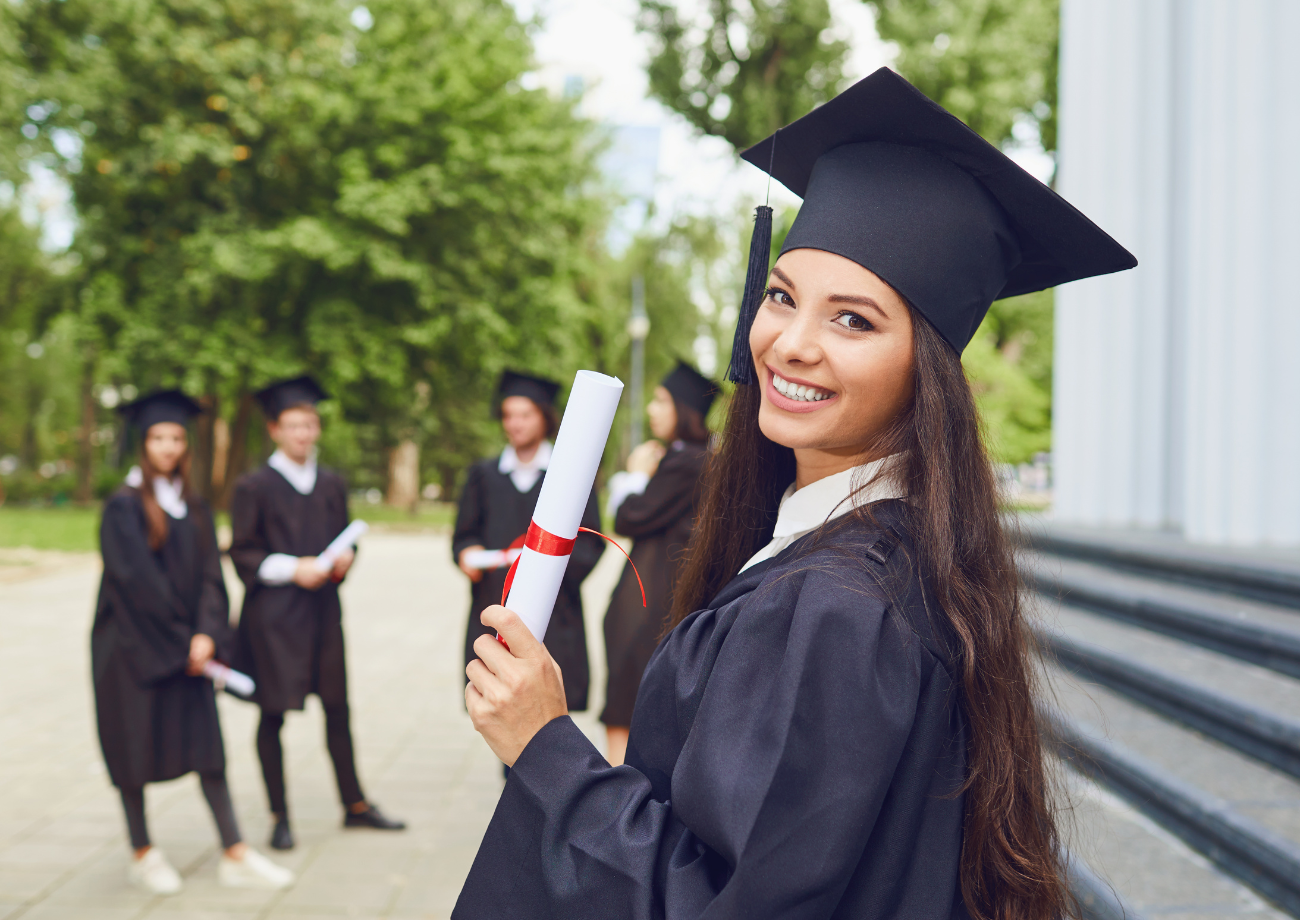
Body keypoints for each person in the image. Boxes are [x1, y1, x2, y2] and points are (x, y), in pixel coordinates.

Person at [455, 67, 1137, 920]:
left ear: (924, 369)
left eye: (853, 319)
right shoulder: (894, 558)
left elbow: (733, 903)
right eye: (781, 297)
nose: (791, 343)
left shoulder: (836, 609)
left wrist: (545, 745)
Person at [93, 390, 294, 894]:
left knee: (207, 749)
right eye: (159, 438)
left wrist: (207, 633)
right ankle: (142, 851)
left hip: (190, 650)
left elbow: (211, 575)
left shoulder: (194, 505)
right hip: (133, 651)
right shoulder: (122, 507)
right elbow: (137, 584)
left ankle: (234, 851)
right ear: (144, 443)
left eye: (176, 438)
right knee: (133, 749)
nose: (168, 447)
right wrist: (185, 642)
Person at [230, 376, 405, 852]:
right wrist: (293, 569)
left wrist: (344, 562)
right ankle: (279, 814)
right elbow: (243, 553)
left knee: (337, 707)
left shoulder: (330, 483)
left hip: (324, 612)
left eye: (310, 424)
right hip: (274, 616)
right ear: (274, 430)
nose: (303, 434)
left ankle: (355, 805)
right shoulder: (254, 485)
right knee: (273, 713)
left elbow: (347, 539)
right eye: (293, 425)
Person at [453, 370, 603, 719]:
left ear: (544, 418)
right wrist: (466, 555)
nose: (514, 424)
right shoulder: (483, 475)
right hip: (495, 602)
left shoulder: (569, 476)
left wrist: (546, 572)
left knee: (548, 710)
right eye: (508, 415)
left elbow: (591, 542)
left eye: (524, 415)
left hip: (554, 611)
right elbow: (464, 535)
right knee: (498, 701)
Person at [600, 361, 715, 765]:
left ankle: (612, 802)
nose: (652, 409)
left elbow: (630, 516)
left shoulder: (688, 460)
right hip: (658, 594)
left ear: (684, 409)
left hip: (650, 600)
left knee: (625, 700)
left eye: (661, 400)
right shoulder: (699, 456)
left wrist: (636, 475)